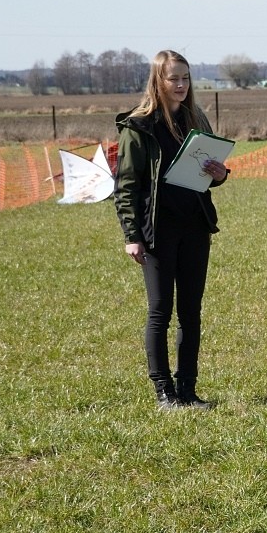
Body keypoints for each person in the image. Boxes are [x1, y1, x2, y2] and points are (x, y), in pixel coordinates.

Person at [114, 50, 229, 411]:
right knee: (160, 311)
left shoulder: (197, 119)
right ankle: (164, 392)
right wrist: (132, 236)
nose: (181, 85)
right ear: (158, 81)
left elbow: (209, 176)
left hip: (195, 227)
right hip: (156, 231)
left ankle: (188, 390)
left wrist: (220, 175)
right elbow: (127, 185)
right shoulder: (139, 127)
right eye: (173, 78)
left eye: (186, 78)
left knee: (191, 311)